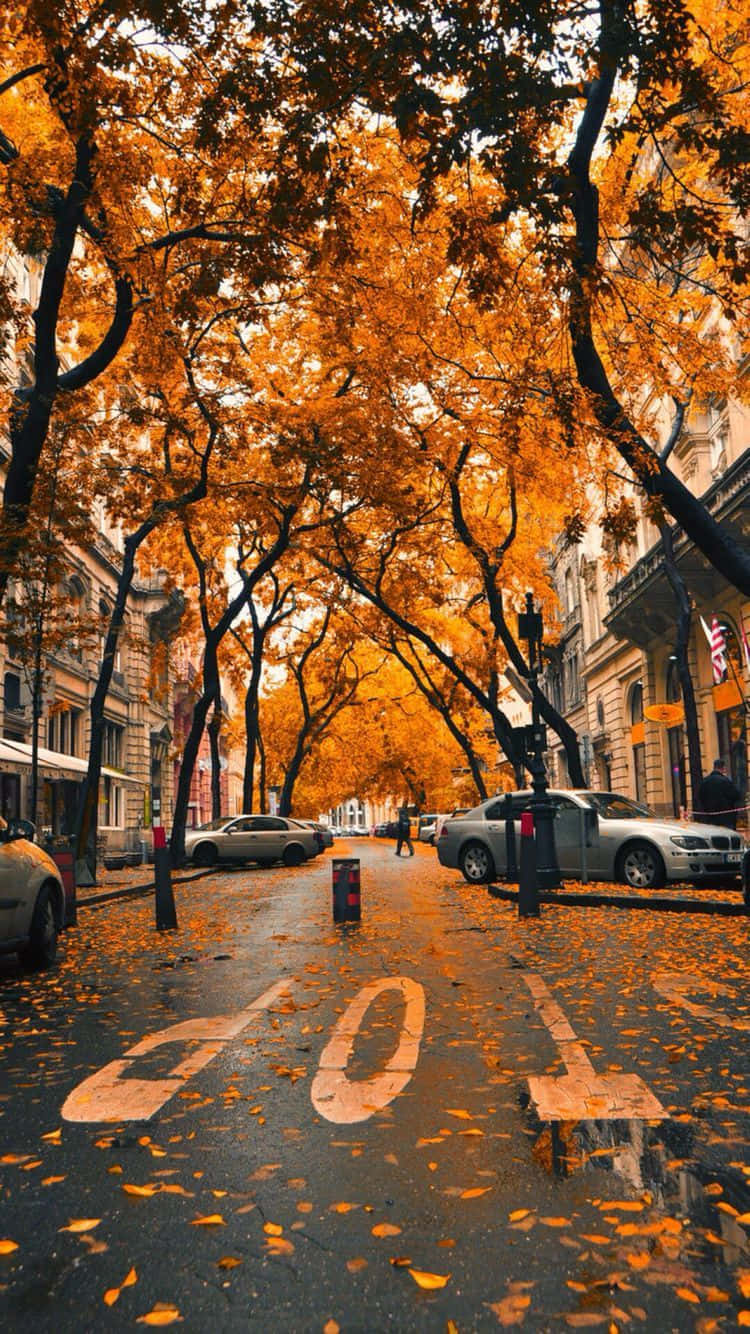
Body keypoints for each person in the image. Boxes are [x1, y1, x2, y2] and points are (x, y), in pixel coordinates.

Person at [697, 758, 741, 829]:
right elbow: (736, 796)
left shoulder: (704, 781)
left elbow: (700, 798)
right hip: (726, 818)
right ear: (723, 768)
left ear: (714, 767)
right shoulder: (725, 781)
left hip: (709, 818)